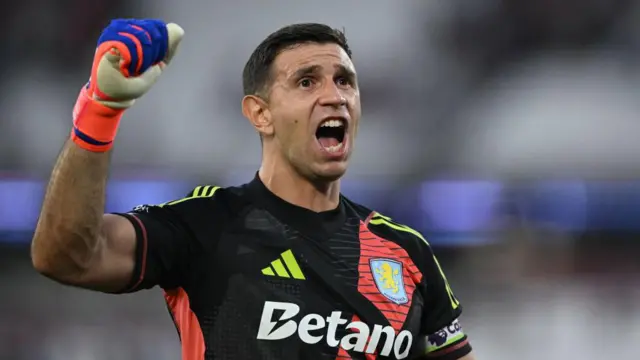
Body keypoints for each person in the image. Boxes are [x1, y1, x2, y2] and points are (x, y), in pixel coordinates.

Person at [31, 18, 476, 360]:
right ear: (259, 114)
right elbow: (65, 256)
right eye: (306, 81)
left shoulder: (405, 251)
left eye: (344, 80)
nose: (335, 95)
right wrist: (100, 113)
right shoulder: (207, 225)